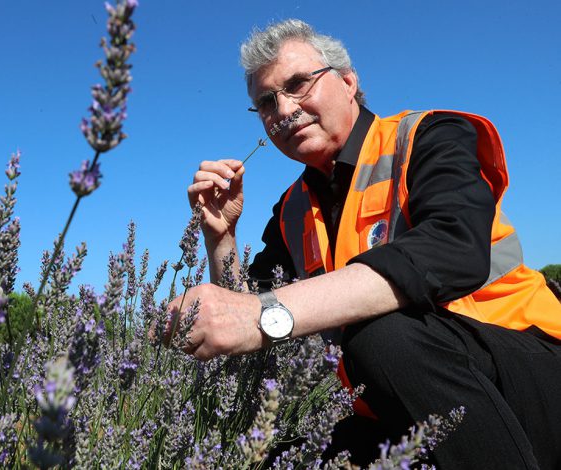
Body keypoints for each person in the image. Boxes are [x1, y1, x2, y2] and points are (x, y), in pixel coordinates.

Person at [169, 19, 561, 469]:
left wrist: (263, 316)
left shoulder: (428, 137)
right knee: (286, 450)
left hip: (525, 369)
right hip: (387, 398)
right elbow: (245, 311)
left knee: (379, 335)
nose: (282, 110)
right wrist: (221, 238)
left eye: (297, 84)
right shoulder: (292, 208)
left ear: (349, 82)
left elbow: (453, 247)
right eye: (265, 102)